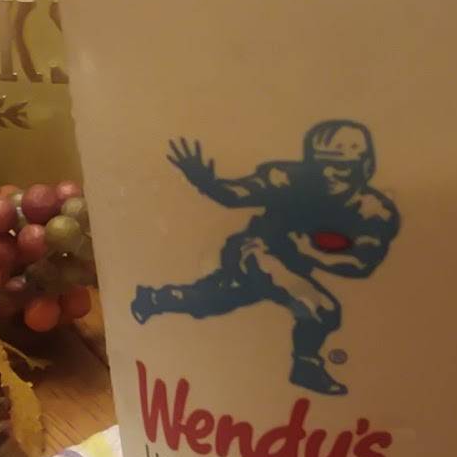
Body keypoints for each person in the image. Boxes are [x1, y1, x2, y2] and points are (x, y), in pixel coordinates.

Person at [132, 120, 399, 396]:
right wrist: (206, 181)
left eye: (342, 166)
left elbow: (361, 264)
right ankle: (305, 367)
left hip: (293, 265)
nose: (329, 174)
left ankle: (153, 299)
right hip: (254, 250)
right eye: (322, 164)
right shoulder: (286, 178)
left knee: (212, 299)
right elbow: (237, 194)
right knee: (321, 309)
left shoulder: (374, 210)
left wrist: (309, 252)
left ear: (364, 166)